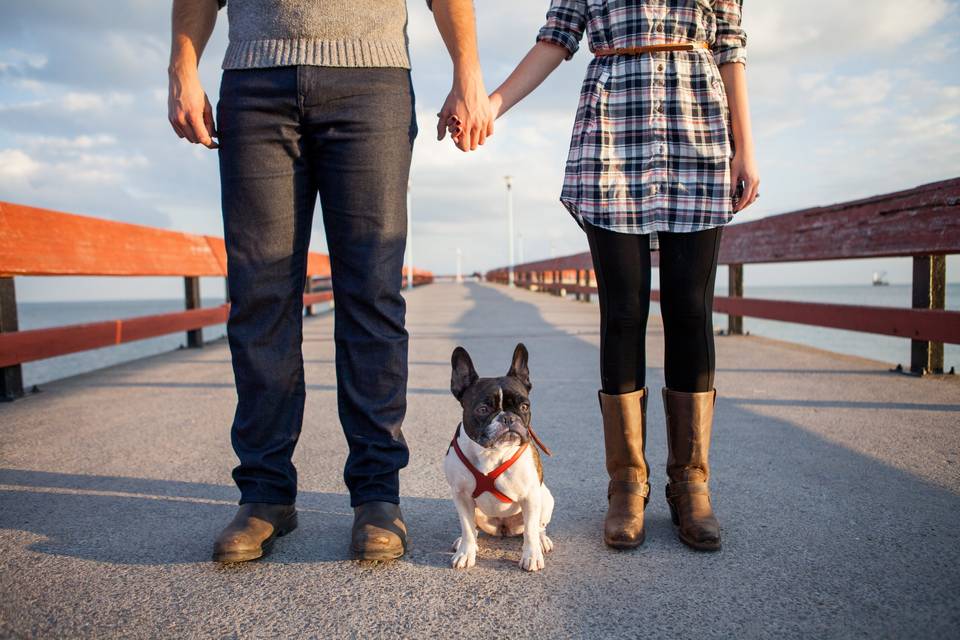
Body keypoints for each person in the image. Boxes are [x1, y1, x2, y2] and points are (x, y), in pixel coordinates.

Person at [167, 0, 495, 562]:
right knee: (259, 296)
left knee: (373, 293)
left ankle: (376, 497)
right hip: (254, 76)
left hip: (373, 79)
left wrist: (469, 72)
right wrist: (182, 67)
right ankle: (265, 495)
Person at [445, 0, 758, 551]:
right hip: (614, 135)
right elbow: (556, 38)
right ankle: (627, 485)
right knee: (622, 313)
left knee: (689, 311)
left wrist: (745, 149)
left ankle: (690, 483)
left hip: (699, 131)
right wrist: (490, 105)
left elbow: (730, 46)